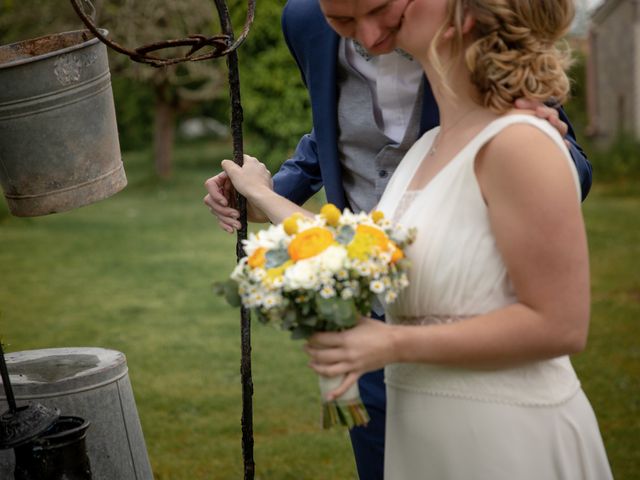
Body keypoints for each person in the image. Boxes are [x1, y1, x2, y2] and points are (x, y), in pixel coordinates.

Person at [204, 0, 594, 478]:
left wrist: (389, 343)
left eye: (390, 12)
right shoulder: (423, 152)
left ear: (463, 15)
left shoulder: (515, 141)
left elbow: (562, 326)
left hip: (502, 437)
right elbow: (361, 242)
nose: (370, 38)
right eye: (345, 22)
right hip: (421, 427)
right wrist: (260, 194)